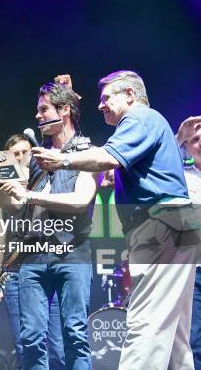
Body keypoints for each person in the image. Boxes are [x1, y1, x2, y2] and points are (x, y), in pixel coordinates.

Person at [33, 71, 197, 369]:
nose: (100, 105)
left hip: (161, 224)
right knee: (173, 332)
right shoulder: (149, 123)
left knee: (146, 322)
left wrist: (63, 159)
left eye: (107, 98)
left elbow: (108, 157)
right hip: (175, 225)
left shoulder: (139, 118)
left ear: (130, 96)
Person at [0, 77, 96, 369]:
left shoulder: (85, 151)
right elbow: (14, 205)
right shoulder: (34, 159)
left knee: (74, 333)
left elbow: (81, 201)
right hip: (33, 257)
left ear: (65, 112)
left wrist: (30, 194)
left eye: (44, 109)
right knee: (31, 337)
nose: (37, 115)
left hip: (72, 254)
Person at [0, 134, 65, 370]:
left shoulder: (48, 181)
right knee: (25, 347)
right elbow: (0, 238)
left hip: (48, 271)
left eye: (24, 151)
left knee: (58, 348)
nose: (20, 157)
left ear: (34, 152)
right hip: (16, 275)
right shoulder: (5, 193)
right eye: (15, 154)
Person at [176, 116, 201, 370]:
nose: (200, 142)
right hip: (194, 270)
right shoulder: (180, 176)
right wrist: (180, 136)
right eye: (194, 139)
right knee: (193, 339)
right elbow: (161, 162)